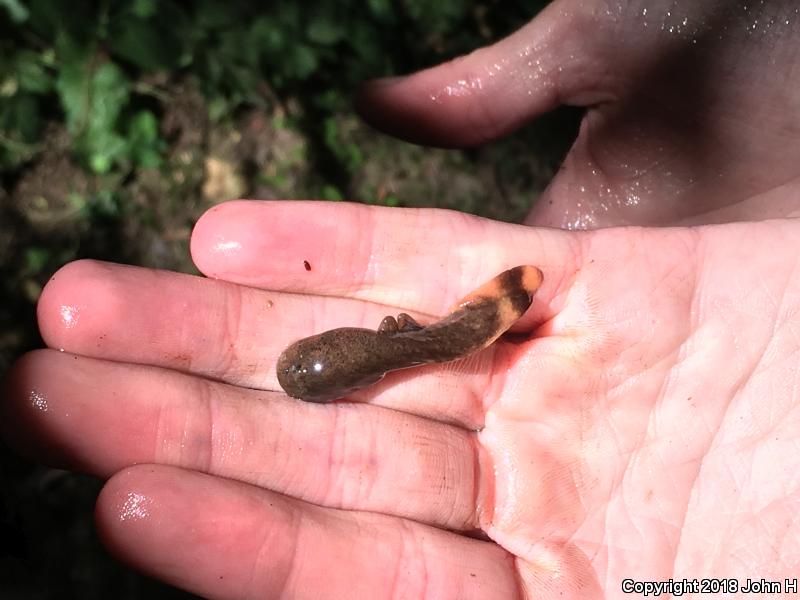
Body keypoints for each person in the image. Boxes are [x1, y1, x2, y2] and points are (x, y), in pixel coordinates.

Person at [3, 1, 800, 597]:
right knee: (431, 336)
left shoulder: (388, 355)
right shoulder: (386, 351)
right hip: (407, 344)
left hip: (410, 345)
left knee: (436, 335)